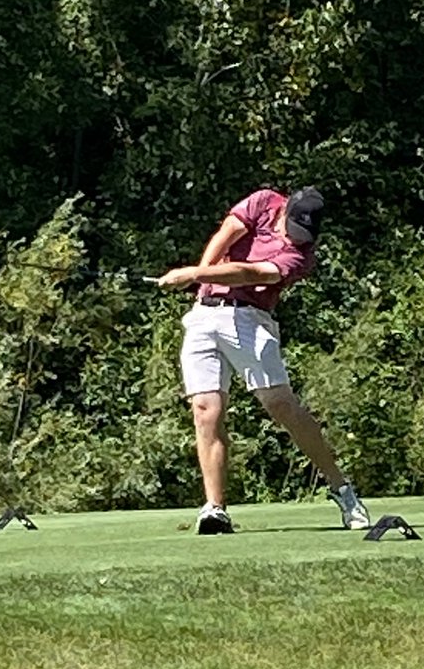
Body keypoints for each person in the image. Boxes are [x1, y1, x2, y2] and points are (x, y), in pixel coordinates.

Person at [156, 186, 371, 535]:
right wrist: (203, 278)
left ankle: (342, 490)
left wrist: (194, 274)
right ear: (285, 209)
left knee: (281, 405)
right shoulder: (263, 201)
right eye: (294, 228)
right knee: (205, 410)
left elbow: (252, 273)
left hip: (250, 320)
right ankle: (215, 509)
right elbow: (227, 233)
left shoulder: (301, 257)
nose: (298, 237)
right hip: (204, 315)